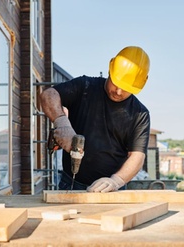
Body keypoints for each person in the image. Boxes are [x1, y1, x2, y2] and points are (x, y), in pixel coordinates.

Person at [40, 46, 151, 193]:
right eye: (116, 84)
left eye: (126, 88)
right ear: (110, 71)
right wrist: (62, 123)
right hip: (71, 183)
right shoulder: (85, 87)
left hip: (111, 189)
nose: (118, 92)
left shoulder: (140, 114)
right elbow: (49, 95)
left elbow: (137, 157)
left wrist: (116, 180)